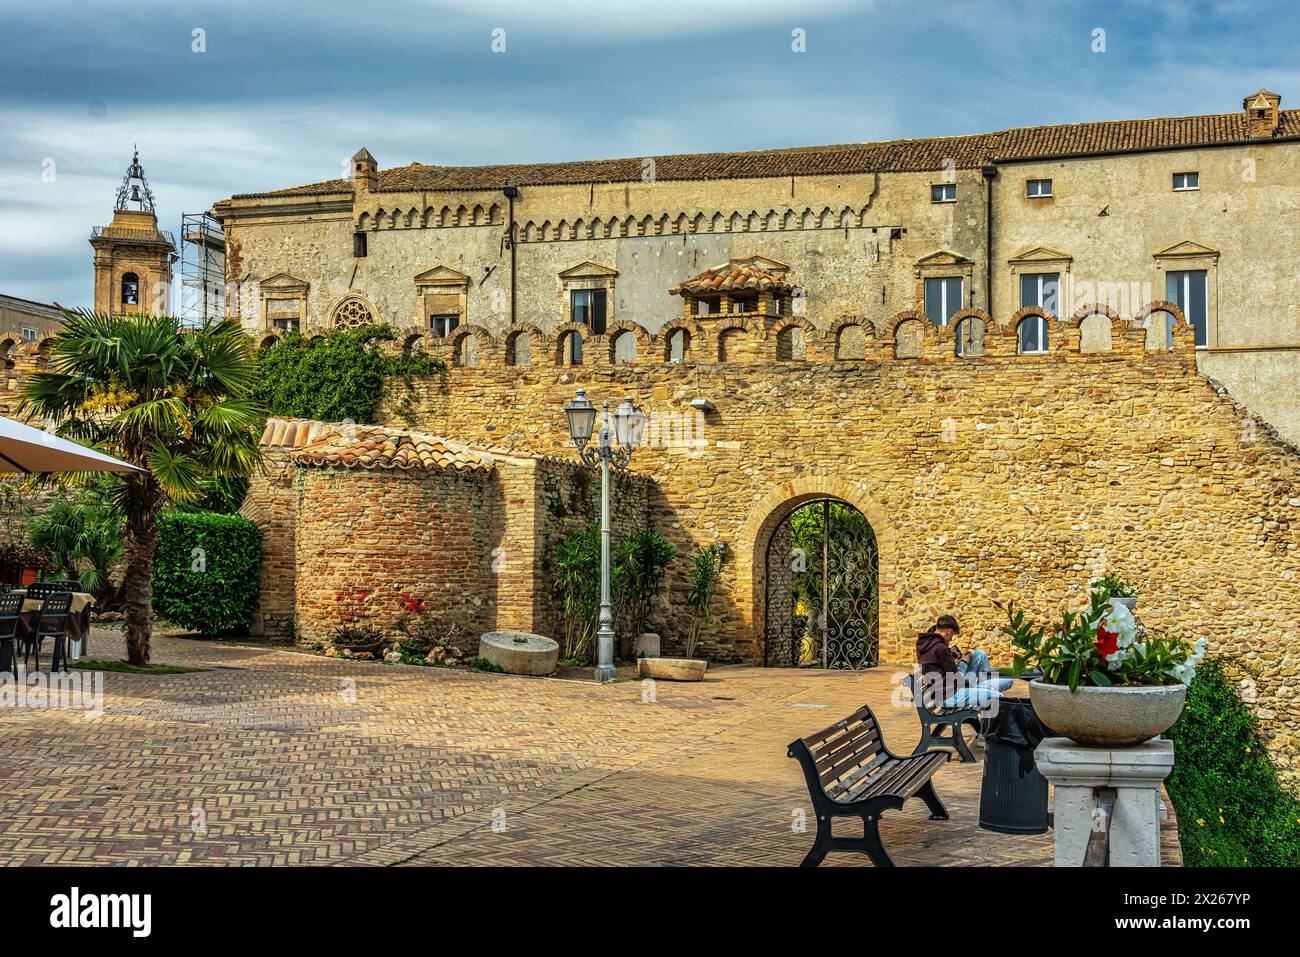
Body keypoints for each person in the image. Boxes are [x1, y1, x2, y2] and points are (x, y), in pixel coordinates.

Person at [915, 614, 1013, 708]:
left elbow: (940, 664)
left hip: (949, 688)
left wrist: (952, 654)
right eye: (952, 636)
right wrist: (964, 662)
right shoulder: (941, 648)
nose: (951, 639)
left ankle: (982, 688)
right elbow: (955, 678)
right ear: (949, 632)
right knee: (998, 696)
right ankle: (987, 719)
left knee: (1006, 679)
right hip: (949, 695)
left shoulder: (928, 643)